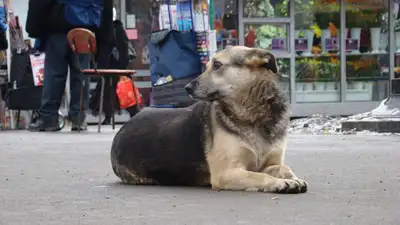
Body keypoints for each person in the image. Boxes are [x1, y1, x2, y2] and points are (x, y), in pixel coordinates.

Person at [26, 0, 112, 132]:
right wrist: (104, 39)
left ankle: (49, 119)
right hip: (84, 29)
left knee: (54, 74)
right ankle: (78, 119)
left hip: (58, 27)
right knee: (81, 75)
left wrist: (34, 28)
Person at [89, 7, 140, 125]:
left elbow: (123, 48)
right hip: (108, 66)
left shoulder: (116, 28)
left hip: (115, 66)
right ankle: (109, 116)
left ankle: (132, 115)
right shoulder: (104, 29)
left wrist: (122, 67)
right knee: (110, 91)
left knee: (120, 91)